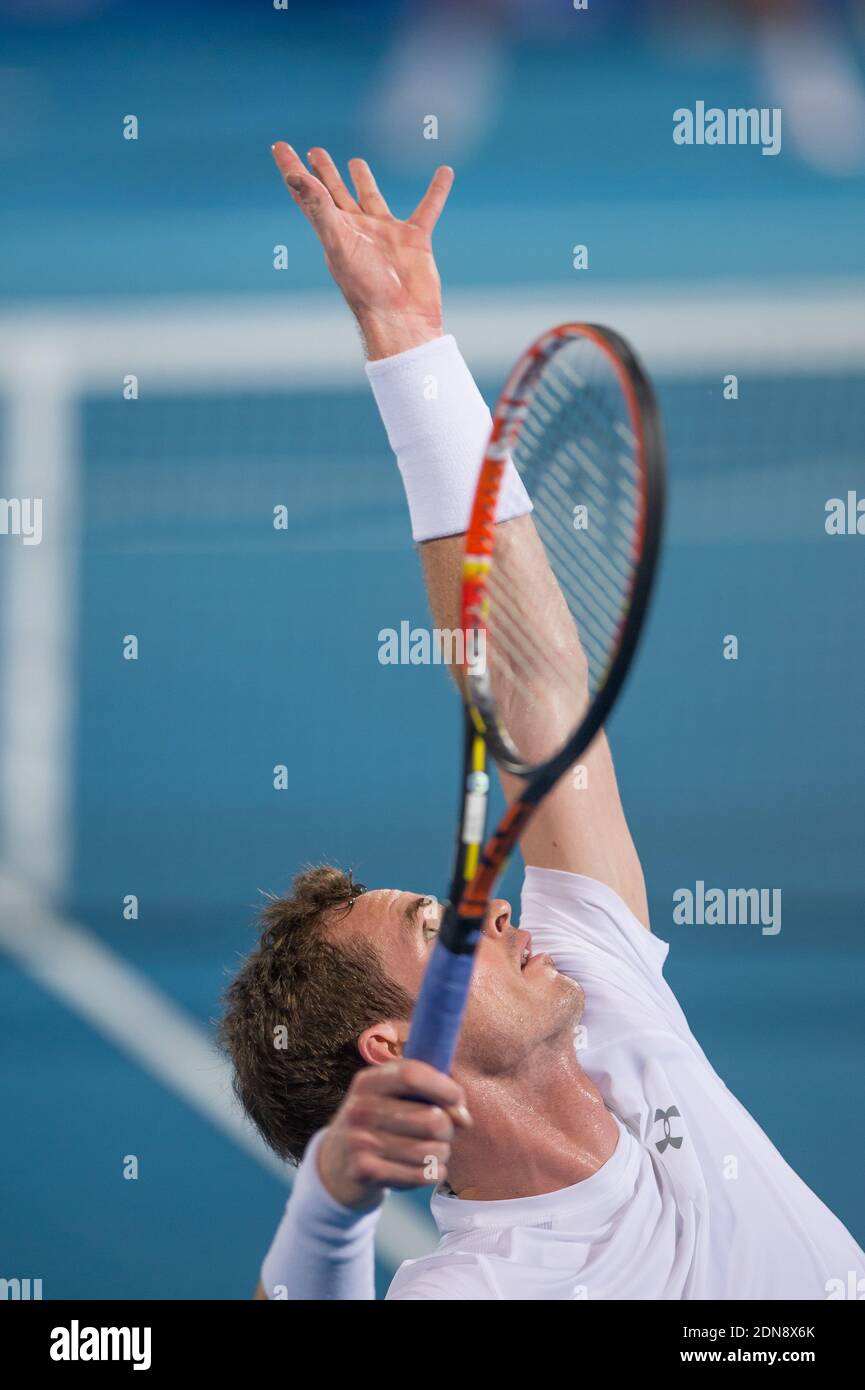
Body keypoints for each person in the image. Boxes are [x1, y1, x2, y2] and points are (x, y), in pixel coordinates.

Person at [218, 143, 865, 1300]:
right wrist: (322, 1219)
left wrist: (409, 343)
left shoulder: (601, 983)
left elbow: (532, 685)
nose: (496, 904)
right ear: (393, 1049)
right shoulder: (476, 1288)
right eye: (438, 923)